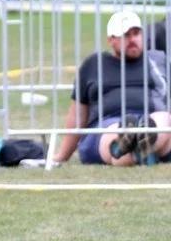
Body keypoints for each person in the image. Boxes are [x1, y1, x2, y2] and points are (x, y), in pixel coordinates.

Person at [53, 11, 171, 167]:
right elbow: (77, 117)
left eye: (136, 33)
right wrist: (62, 156)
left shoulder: (157, 60)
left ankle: (134, 145)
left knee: (163, 118)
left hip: (153, 121)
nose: (132, 39)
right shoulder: (94, 65)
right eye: (126, 35)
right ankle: (133, 144)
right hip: (107, 125)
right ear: (111, 40)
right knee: (116, 131)